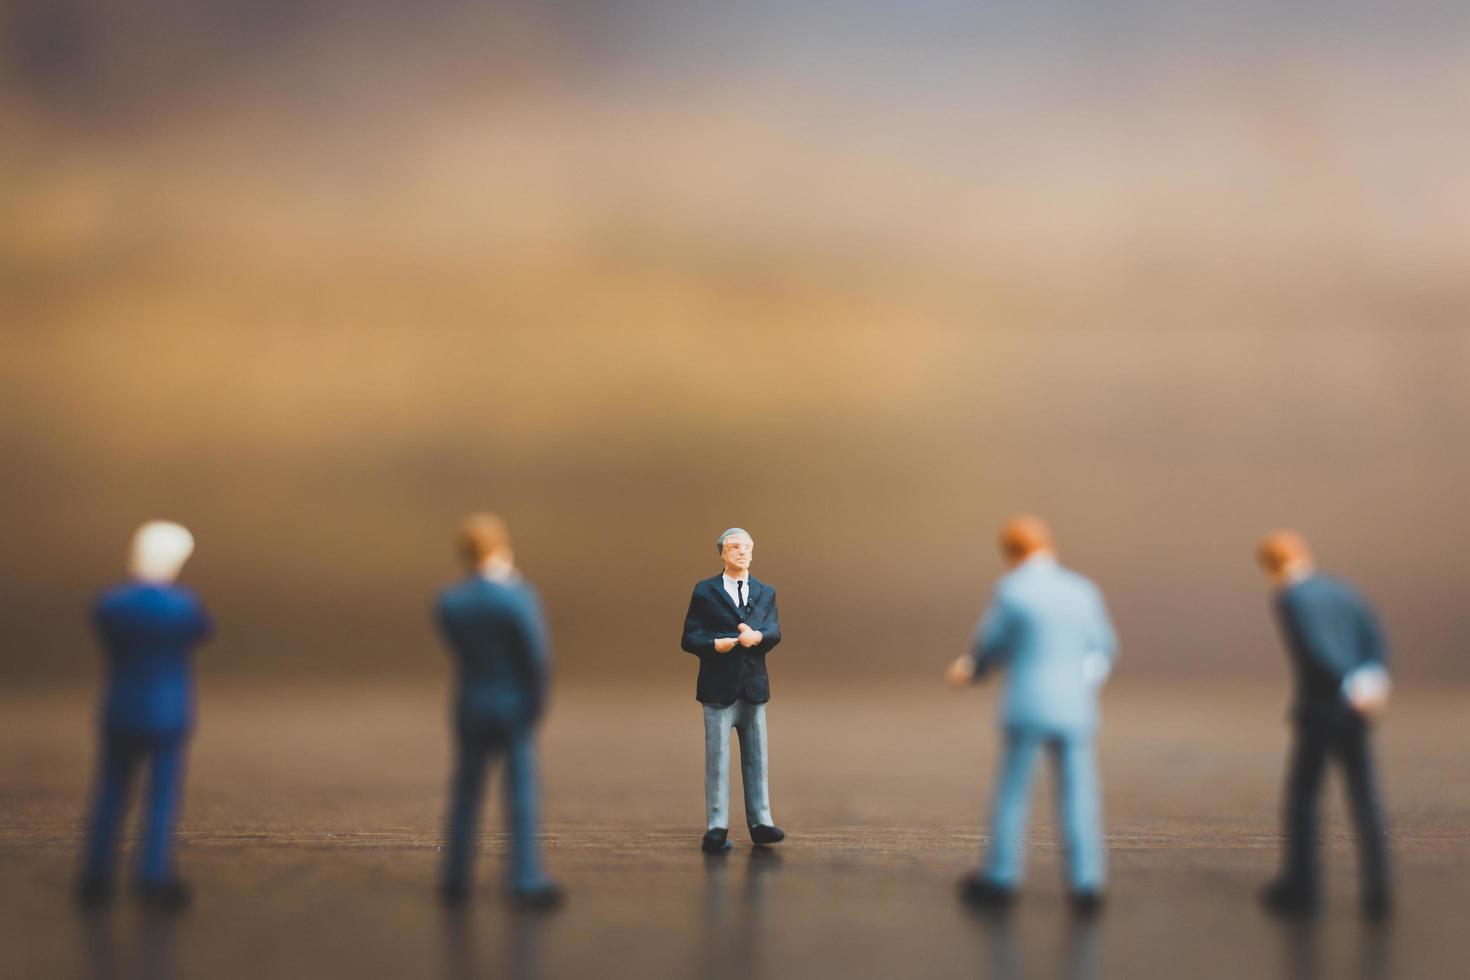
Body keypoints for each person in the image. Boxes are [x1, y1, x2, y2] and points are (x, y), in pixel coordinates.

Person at [946, 515, 1118, 914]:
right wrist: (1085, 683)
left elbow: (990, 644)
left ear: (1011, 553)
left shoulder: (1012, 590)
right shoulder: (1082, 590)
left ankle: (1001, 878)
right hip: (1075, 707)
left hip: (1028, 705)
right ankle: (1087, 882)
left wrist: (973, 669)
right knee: (1079, 794)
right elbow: (1104, 647)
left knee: (1012, 793)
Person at [1255, 529, 1392, 920]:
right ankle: (1378, 888)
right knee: (1364, 796)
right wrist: (1371, 680)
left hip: (1322, 709)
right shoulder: (1342, 590)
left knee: (1302, 798)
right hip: (1358, 708)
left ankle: (1302, 887)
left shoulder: (1291, 597)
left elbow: (1316, 650)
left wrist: (1346, 682)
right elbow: (1374, 635)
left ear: (1272, 565)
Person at [77, 520, 213, 909]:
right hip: (168, 710)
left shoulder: (112, 603)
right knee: (162, 796)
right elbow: (203, 631)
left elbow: (102, 628)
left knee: (110, 792)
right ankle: (152, 875)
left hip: (121, 707)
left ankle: (97, 874)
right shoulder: (183, 605)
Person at [436, 514, 562, 908]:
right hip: (512, 705)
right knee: (520, 792)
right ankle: (524, 878)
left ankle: (455, 877)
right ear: (500, 548)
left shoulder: (450, 602)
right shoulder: (517, 596)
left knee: (466, 792)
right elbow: (538, 658)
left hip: (471, 702)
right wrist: (535, 703)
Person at [680, 528, 785, 853]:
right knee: (717, 759)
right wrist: (715, 645)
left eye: (747, 547)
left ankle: (761, 821)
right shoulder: (705, 591)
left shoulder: (765, 592)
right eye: (734, 547)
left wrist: (759, 638)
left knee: (757, 758)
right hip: (718, 688)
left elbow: (774, 631)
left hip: (753, 688)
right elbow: (689, 638)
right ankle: (717, 825)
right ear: (722, 553)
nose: (741, 552)